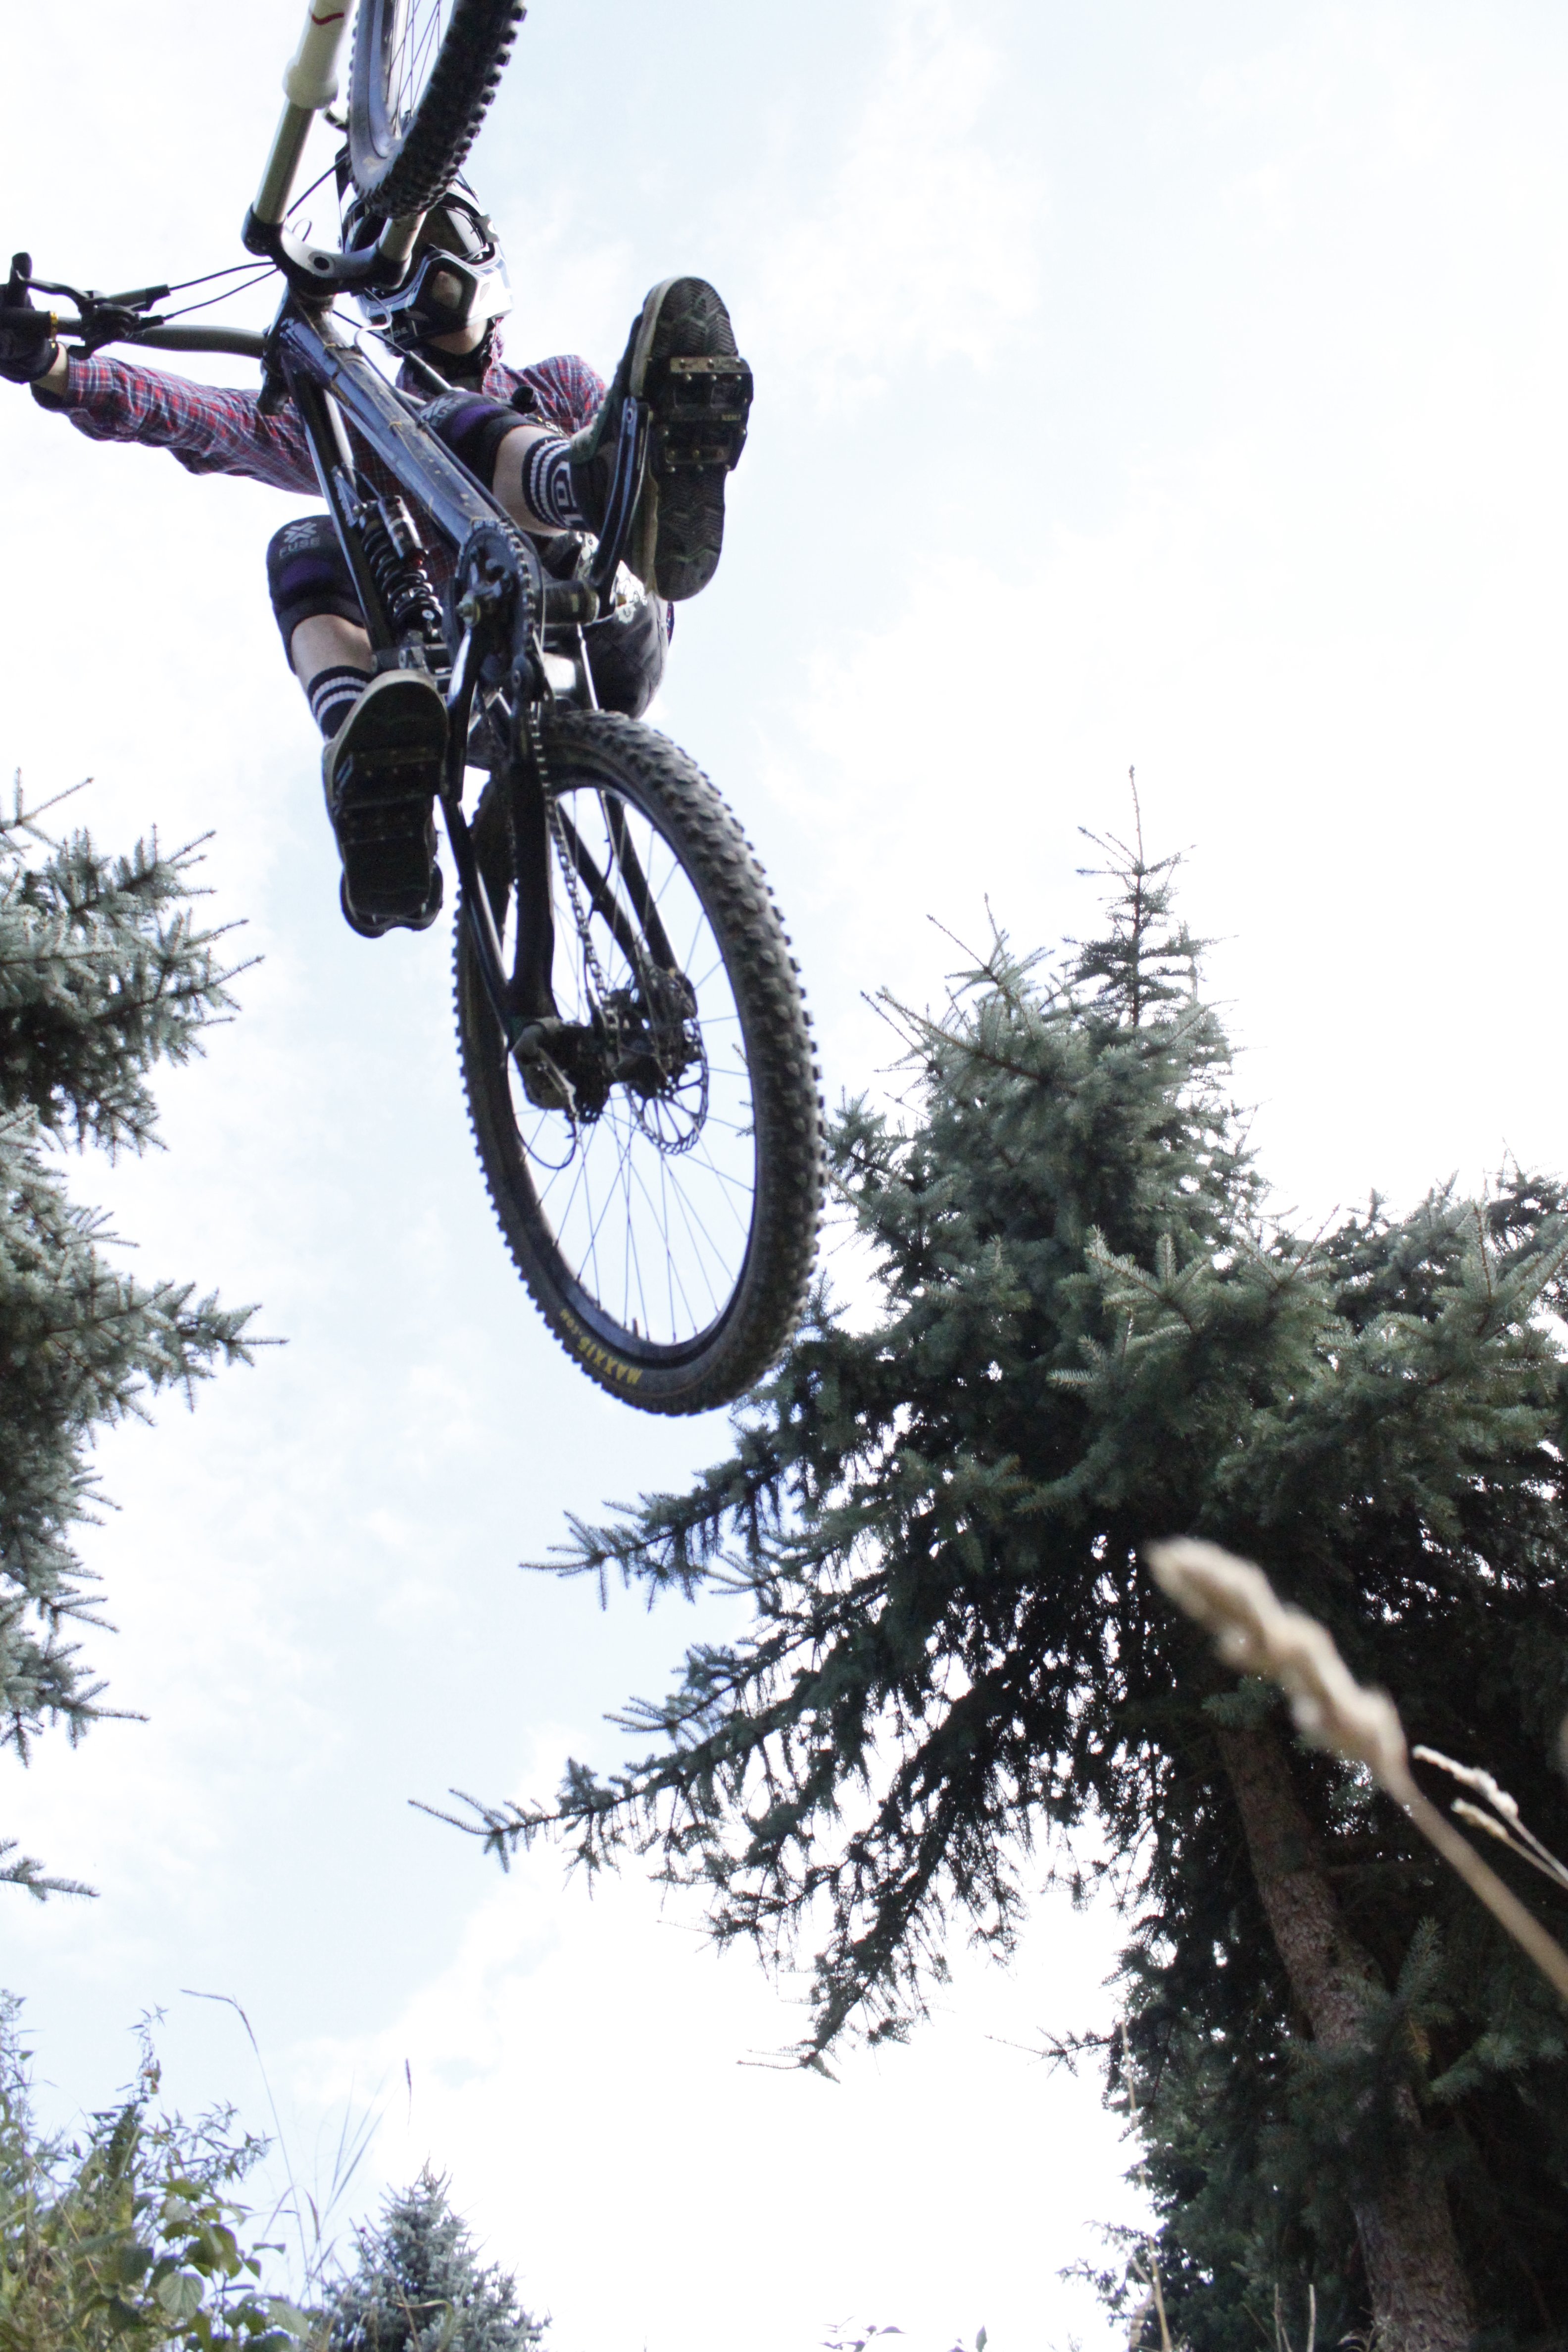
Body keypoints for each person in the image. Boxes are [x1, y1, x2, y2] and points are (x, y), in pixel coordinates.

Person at [0, 187, 750, 934]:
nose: (430, 271)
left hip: (605, 622)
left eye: (444, 241)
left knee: (444, 423)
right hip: (481, 688)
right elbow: (216, 421)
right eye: (404, 260)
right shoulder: (371, 429)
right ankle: (376, 776)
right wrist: (58, 367)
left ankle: (596, 486)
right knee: (306, 544)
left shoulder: (556, 383)